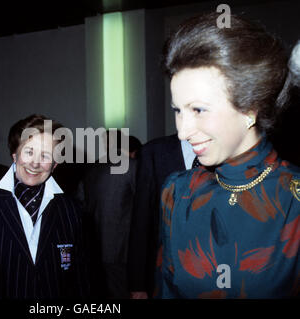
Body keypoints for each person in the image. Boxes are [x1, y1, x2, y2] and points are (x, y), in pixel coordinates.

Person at [155, 12, 300, 298]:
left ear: (249, 108)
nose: (183, 132)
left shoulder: (293, 200)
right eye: (177, 111)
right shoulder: (177, 192)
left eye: (198, 110)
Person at [0, 114, 89, 298]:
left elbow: (81, 281)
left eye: (45, 155)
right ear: (14, 154)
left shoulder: (71, 210)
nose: (35, 163)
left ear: (55, 164)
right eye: (29, 152)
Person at [128, 134, 195, 299]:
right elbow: (142, 220)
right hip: (165, 274)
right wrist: (138, 284)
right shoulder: (154, 152)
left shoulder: (228, 148)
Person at [77, 131, 141, 298]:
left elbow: (80, 204)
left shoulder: (91, 168)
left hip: (94, 247)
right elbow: (145, 207)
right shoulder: (133, 166)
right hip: (125, 249)